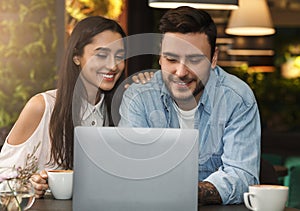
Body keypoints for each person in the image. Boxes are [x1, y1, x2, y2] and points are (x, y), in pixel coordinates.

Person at [118, 6, 261, 205]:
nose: (181, 71)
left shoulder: (237, 98)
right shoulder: (139, 98)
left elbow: (242, 177)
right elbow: (132, 169)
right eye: (171, 59)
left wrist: (184, 191)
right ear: (160, 57)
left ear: (213, 58)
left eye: (194, 59)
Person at [0, 16, 129, 198]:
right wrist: (29, 185)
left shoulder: (121, 111)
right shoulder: (43, 106)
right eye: (101, 55)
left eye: (119, 56)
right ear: (77, 57)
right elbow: (2, 177)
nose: (113, 65)